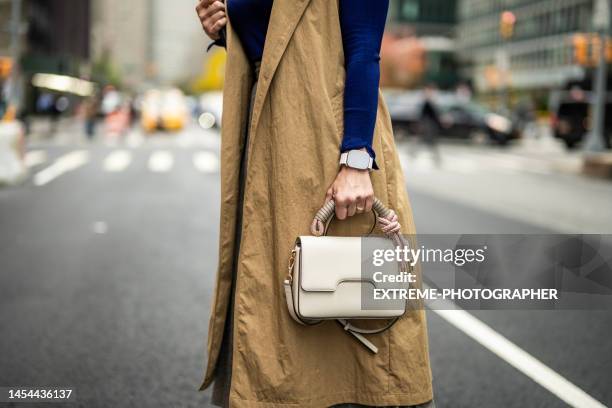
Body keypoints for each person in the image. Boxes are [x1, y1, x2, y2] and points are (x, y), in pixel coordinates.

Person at [195, 1, 434, 407]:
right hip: (267, 141)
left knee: (340, 310)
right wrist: (224, 30)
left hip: (328, 141)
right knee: (273, 305)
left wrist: (357, 159)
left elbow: (363, 48)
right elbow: (272, 45)